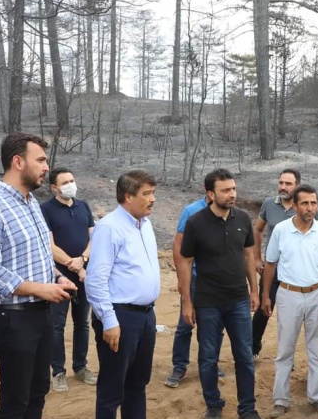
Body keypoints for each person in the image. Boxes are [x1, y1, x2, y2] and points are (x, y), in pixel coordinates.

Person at [0, 133, 78, 419]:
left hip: (40, 314)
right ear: (18, 162)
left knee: (38, 390)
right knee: (16, 400)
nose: (46, 167)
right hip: (12, 318)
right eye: (40, 160)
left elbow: (39, 256)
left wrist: (57, 278)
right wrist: (40, 289)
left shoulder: (31, 204)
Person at [178, 168, 261, 419]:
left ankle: (247, 408)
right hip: (207, 302)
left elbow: (248, 255)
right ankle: (213, 406)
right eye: (225, 190)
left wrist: (254, 290)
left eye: (233, 189)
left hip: (238, 300)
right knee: (208, 358)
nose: (232, 194)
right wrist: (187, 302)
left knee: (244, 357)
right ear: (210, 194)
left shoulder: (243, 218)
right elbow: (186, 262)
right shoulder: (195, 223)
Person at [85, 170, 161, 419]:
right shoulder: (109, 228)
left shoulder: (145, 224)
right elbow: (95, 280)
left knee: (137, 384)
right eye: (146, 194)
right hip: (120, 317)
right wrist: (109, 321)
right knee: (112, 389)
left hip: (146, 316)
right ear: (128, 196)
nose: (152, 199)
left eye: (153, 193)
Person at [261, 184, 318, 419]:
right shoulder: (281, 230)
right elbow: (270, 264)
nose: (310, 208)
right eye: (305, 203)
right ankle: (280, 399)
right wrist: (266, 296)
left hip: (317, 294)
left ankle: (317, 397)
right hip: (288, 294)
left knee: (317, 350)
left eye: (313, 203)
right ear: (294, 205)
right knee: (285, 350)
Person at [252, 168, 318, 361]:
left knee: (292, 316)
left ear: (297, 186)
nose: (283, 187)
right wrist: (257, 258)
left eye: (288, 184)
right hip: (273, 269)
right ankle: (252, 347)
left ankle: (287, 357)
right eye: (281, 182)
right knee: (263, 309)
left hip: (297, 273)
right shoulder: (269, 204)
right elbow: (257, 230)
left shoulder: (306, 206)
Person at [40, 168, 97, 391]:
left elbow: (93, 237)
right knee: (57, 325)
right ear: (54, 187)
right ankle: (58, 371)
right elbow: (49, 245)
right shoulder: (45, 210)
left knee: (82, 323)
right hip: (59, 277)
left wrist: (83, 260)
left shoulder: (84, 206)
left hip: (83, 275)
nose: (70, 185)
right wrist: (71, 264)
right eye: (65, 182)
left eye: (72, 180)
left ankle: (80, 367)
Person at [164, 193, 225, 387]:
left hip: (216, 279)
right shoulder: (191, 211)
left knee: (215, 325)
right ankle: (179, 366)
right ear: (210, 192)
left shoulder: (228, 212)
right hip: (194, 277)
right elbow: (179, 245)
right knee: (185, 323)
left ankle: (210, 363)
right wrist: (181, 277)